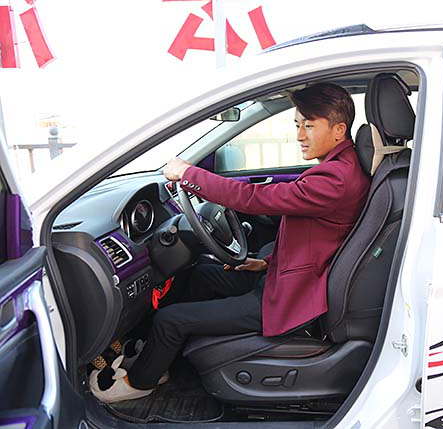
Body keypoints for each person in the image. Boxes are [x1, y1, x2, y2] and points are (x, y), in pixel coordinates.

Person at [91, 83, 371, 403]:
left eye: (308, 126)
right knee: (199, 275)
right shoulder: (343, 167)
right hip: (283, 280)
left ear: (338, 130)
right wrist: (264, 262)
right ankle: (157, 359)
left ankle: (141, 382)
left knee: (171, 320)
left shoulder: (335, 179)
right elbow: (321, 239)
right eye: (297, 125)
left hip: (287, 300)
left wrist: (188, 174)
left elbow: (254, 198)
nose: (299, 135)